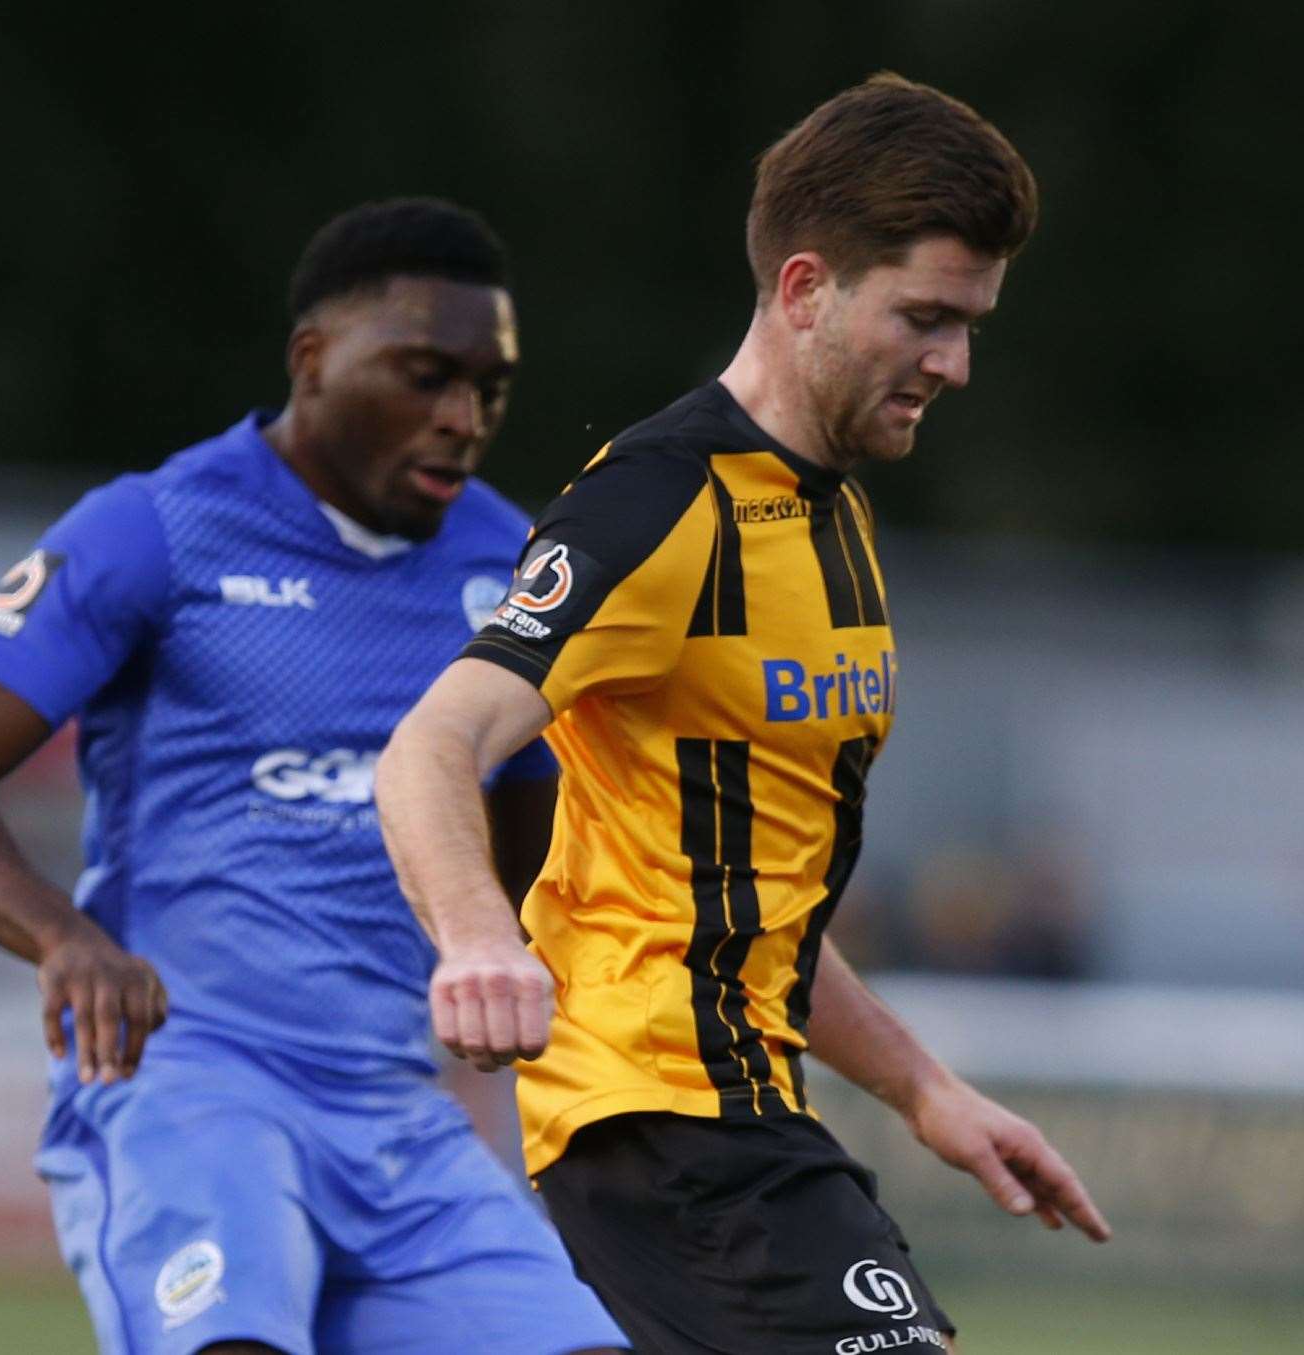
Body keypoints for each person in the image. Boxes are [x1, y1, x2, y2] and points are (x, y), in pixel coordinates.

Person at [376, 76, 1111, 1354]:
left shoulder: (832, 510)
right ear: (807, 287)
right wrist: (477, 938)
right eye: (926, 318)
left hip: (740, 1108)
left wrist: (926, 1090)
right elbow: (431, 745)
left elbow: (743, 889)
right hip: (657, 1114)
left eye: (972, 322)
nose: (955, 362)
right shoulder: (657, 507)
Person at [0, 199, 627, 1355]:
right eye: (425, 376)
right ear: (312, 360)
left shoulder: (512, 566)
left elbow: (531, 850)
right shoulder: (154, 529)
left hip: (390, 1114)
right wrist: (64, 937)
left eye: (489, 387)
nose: (463, 419)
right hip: (189, 1089)